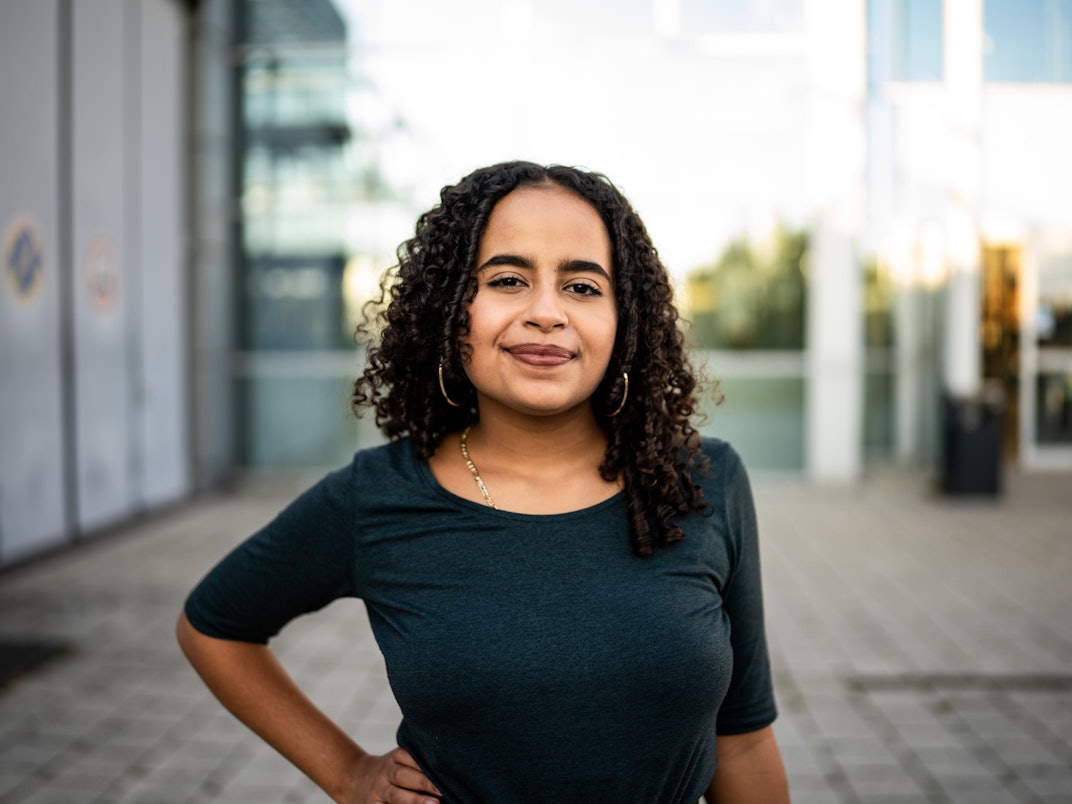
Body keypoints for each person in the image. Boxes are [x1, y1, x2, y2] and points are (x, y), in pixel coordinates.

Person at [177, 161, 789, 804]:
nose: (547, 312)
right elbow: (214, 627)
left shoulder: (701, 483)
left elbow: (743, 739)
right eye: (507, 279)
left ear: (624, 321)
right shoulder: (379, 496)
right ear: (451, 310)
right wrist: (348, 772)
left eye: (582, 286)